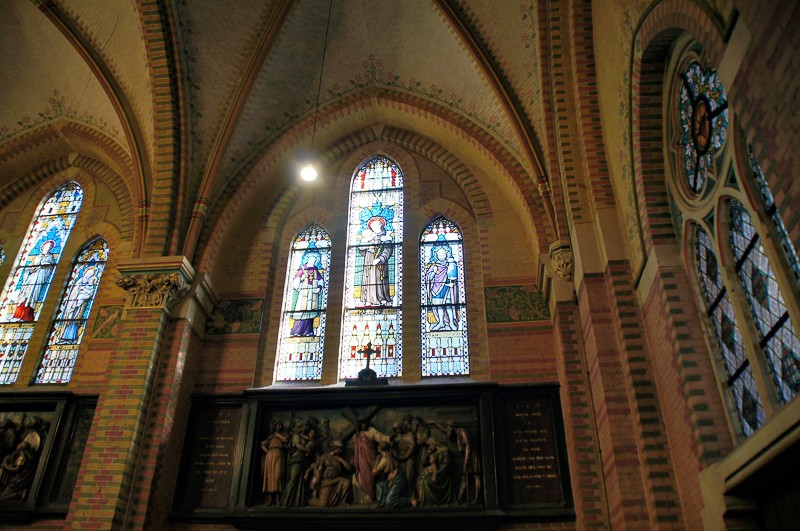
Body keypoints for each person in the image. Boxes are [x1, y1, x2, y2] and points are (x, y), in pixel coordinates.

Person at [13, 240, 57, 322]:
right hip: (31, 278)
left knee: (33, 296)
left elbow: (50, 268)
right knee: (25, 294)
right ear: (43, 246)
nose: (47, 248)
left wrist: (43, 266)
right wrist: (31, 270)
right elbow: (29, 267)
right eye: (46, 246)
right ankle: (17, 315)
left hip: (39, 278)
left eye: (49, 247)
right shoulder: (37, 256)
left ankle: (27, 316)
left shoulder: (50, 256)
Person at [350, 418, 389, 504]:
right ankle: (364, 498)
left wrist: (389, 439)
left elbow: (380, 437)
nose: (363, 425)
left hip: (371, 457)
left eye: (365, 423)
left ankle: (371, 496)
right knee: (361, 476)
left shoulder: (371, 430)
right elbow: (354, 446)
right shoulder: (358, 434)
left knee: (370, 477)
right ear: (360, 425)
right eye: (362, 423)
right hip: (361, 459)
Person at [358, 217, 393, 306]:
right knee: (369, 279)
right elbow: (362, 251)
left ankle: (382, 298)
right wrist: (365, 246)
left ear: (381, 226)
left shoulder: (385, 237)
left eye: (376, 226)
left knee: (379, 279)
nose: (374, 228)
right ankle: (368, 299)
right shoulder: (369, 237)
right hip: (369, 261)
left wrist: (380, 259)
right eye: (372, 226)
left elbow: (388, 250)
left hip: (380, 263)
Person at [424, 241, 458, 331]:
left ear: (446, 255)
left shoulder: (450, 265)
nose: (442, 256)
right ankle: (441, 322)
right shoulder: (434, 266)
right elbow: (429, 277)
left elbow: (454, 276)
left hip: (447, 288)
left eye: (443, 255)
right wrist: (434, 272)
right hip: (436, 288)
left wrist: (453, 283)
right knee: (439, 305)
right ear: (437, 256)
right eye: (440, 255)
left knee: (448, 305)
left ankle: (451, 323)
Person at [289, 250, 324, 337]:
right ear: (308, 260)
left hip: (312, 293)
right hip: (303, 292)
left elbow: (320, 280)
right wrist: (301, 278)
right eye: (311, 260)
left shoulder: (315, 270)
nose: (312, 261)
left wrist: (319, 287)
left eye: (314, 260)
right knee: (301, 310)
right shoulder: (303, 269)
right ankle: (297, 331)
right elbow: (296, 279)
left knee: (310, 311)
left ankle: (309, 331)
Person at [59, 267, 98, 343]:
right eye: (89, 273)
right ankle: (63, 337)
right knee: (69, 318)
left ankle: (73, 338)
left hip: (80, 306)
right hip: (73, 303)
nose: (89, 275)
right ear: (85, 272)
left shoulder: (90, 284)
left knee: (76, 320)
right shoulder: (80, 281)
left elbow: (90, 293)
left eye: (91, 274)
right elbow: (74, 291)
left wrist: (84, 292)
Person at [309, 440, 353, 507]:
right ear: (334, 448)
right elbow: (319, 469)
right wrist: (316, 479)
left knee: (346, 482)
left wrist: (341, 460)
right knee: (323, 505)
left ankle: (342, 502)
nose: (340, 451)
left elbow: (350, 469)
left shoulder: (338, 459)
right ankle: (311, 501)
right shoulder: (325, 457)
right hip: (327, 482)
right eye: (339, 449)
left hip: (337, 480)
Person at [280, 418, 313, 507]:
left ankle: (297, 502)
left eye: (308, 426)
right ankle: (286, 502)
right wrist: (307, 449)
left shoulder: (304, 437)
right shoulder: (296, 436)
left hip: (302, 460)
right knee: (293, 479)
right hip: (296, 460)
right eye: (306, 426)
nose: (307, 428)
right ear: (301, 426)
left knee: (300, 481)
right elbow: (298, 446)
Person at [373, 442, 411, 508]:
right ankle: (382, 502)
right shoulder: (390, 456)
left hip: (398, 481)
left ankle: (410, 501)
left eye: (380, 451)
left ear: (382, 451)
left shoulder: (384, 459)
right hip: (396, 479)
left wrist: (376, 461)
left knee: (389, 502)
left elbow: (374, 473)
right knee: (380, 484)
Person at [260, 419, 289, 505]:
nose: (280, 426)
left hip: (279, 454)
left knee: (278, 475)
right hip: (270, 456)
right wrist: (268, 452)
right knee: (269, 476)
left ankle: (278, 497)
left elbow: (286, 440)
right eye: (278, 425)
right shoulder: (271, 436)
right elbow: (262, 444)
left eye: (281, 425)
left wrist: (277, 435)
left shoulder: (283, 435)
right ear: (275, 426)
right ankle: (270, 498)